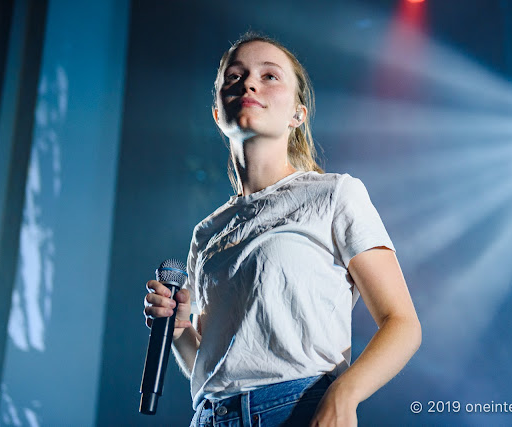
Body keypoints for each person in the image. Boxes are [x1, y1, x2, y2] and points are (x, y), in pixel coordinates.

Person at [143, 33, 421, 426]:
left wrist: (345, 394)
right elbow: (217, 364)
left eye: (269, 76)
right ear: (218, 114)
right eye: (234, 77)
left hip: (296, 409)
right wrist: (180, 330)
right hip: (210, 416)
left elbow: (403, 323)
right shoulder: (206, 233)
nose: (249, 83)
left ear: (297, 114)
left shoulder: (334, 193)